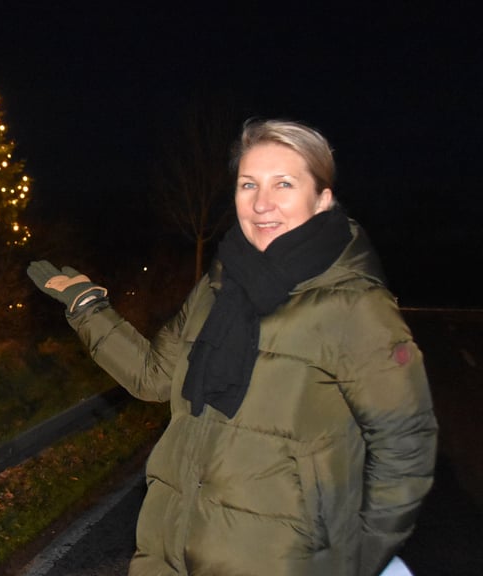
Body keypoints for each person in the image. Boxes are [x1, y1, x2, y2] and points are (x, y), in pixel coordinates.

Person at [28, 119, 437, 576]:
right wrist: (89, 309)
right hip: (169, 549)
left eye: (284, 183)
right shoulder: (219, 285)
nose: (263, 203)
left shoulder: (354, 305)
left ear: (323, 198)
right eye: (248, 184)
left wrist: (355, 558)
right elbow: (154, 377)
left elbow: (407, 446)